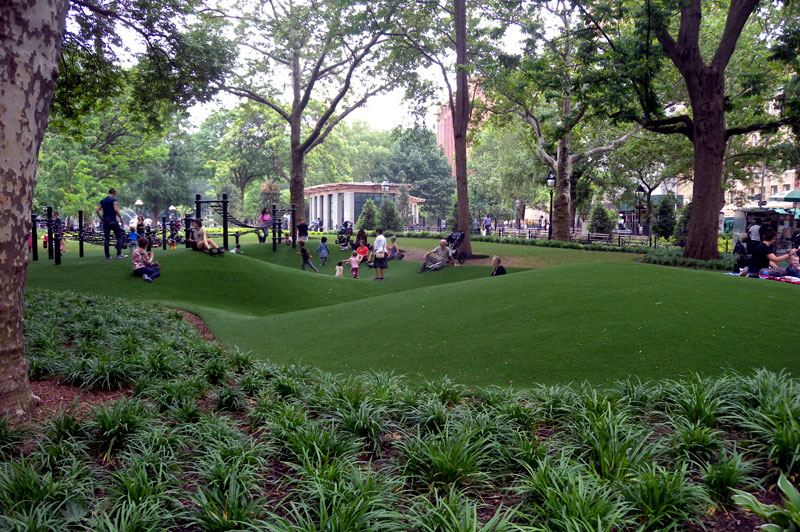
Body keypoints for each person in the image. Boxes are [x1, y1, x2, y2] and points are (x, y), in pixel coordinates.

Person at [96, 188, 127, 260]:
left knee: (106, 238)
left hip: (105, 222)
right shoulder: (113, 200)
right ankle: (119, 254)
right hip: (113, 221)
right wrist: (121, 218)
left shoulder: (102, 201)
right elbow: (116, 209)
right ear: (114, 193)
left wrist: (102, 219)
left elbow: (97, 211)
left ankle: (107, 256)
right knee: (119, 236)